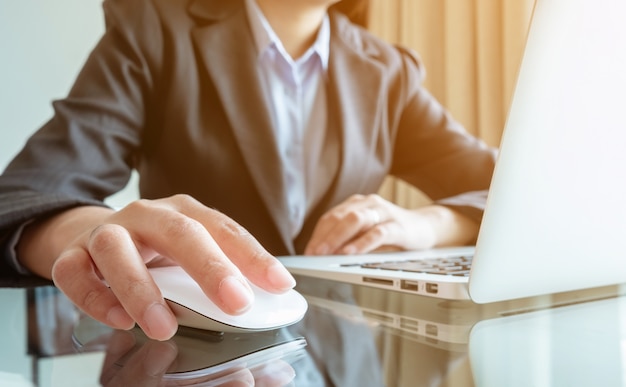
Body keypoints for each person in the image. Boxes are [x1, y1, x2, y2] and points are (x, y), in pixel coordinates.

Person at [0, 0, 496, 341]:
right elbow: (25, 194)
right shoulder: (153, 30)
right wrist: (93, 236)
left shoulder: (388, 72)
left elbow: (505, 186)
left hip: (344, 356)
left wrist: (425, 224)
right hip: (187, 354)